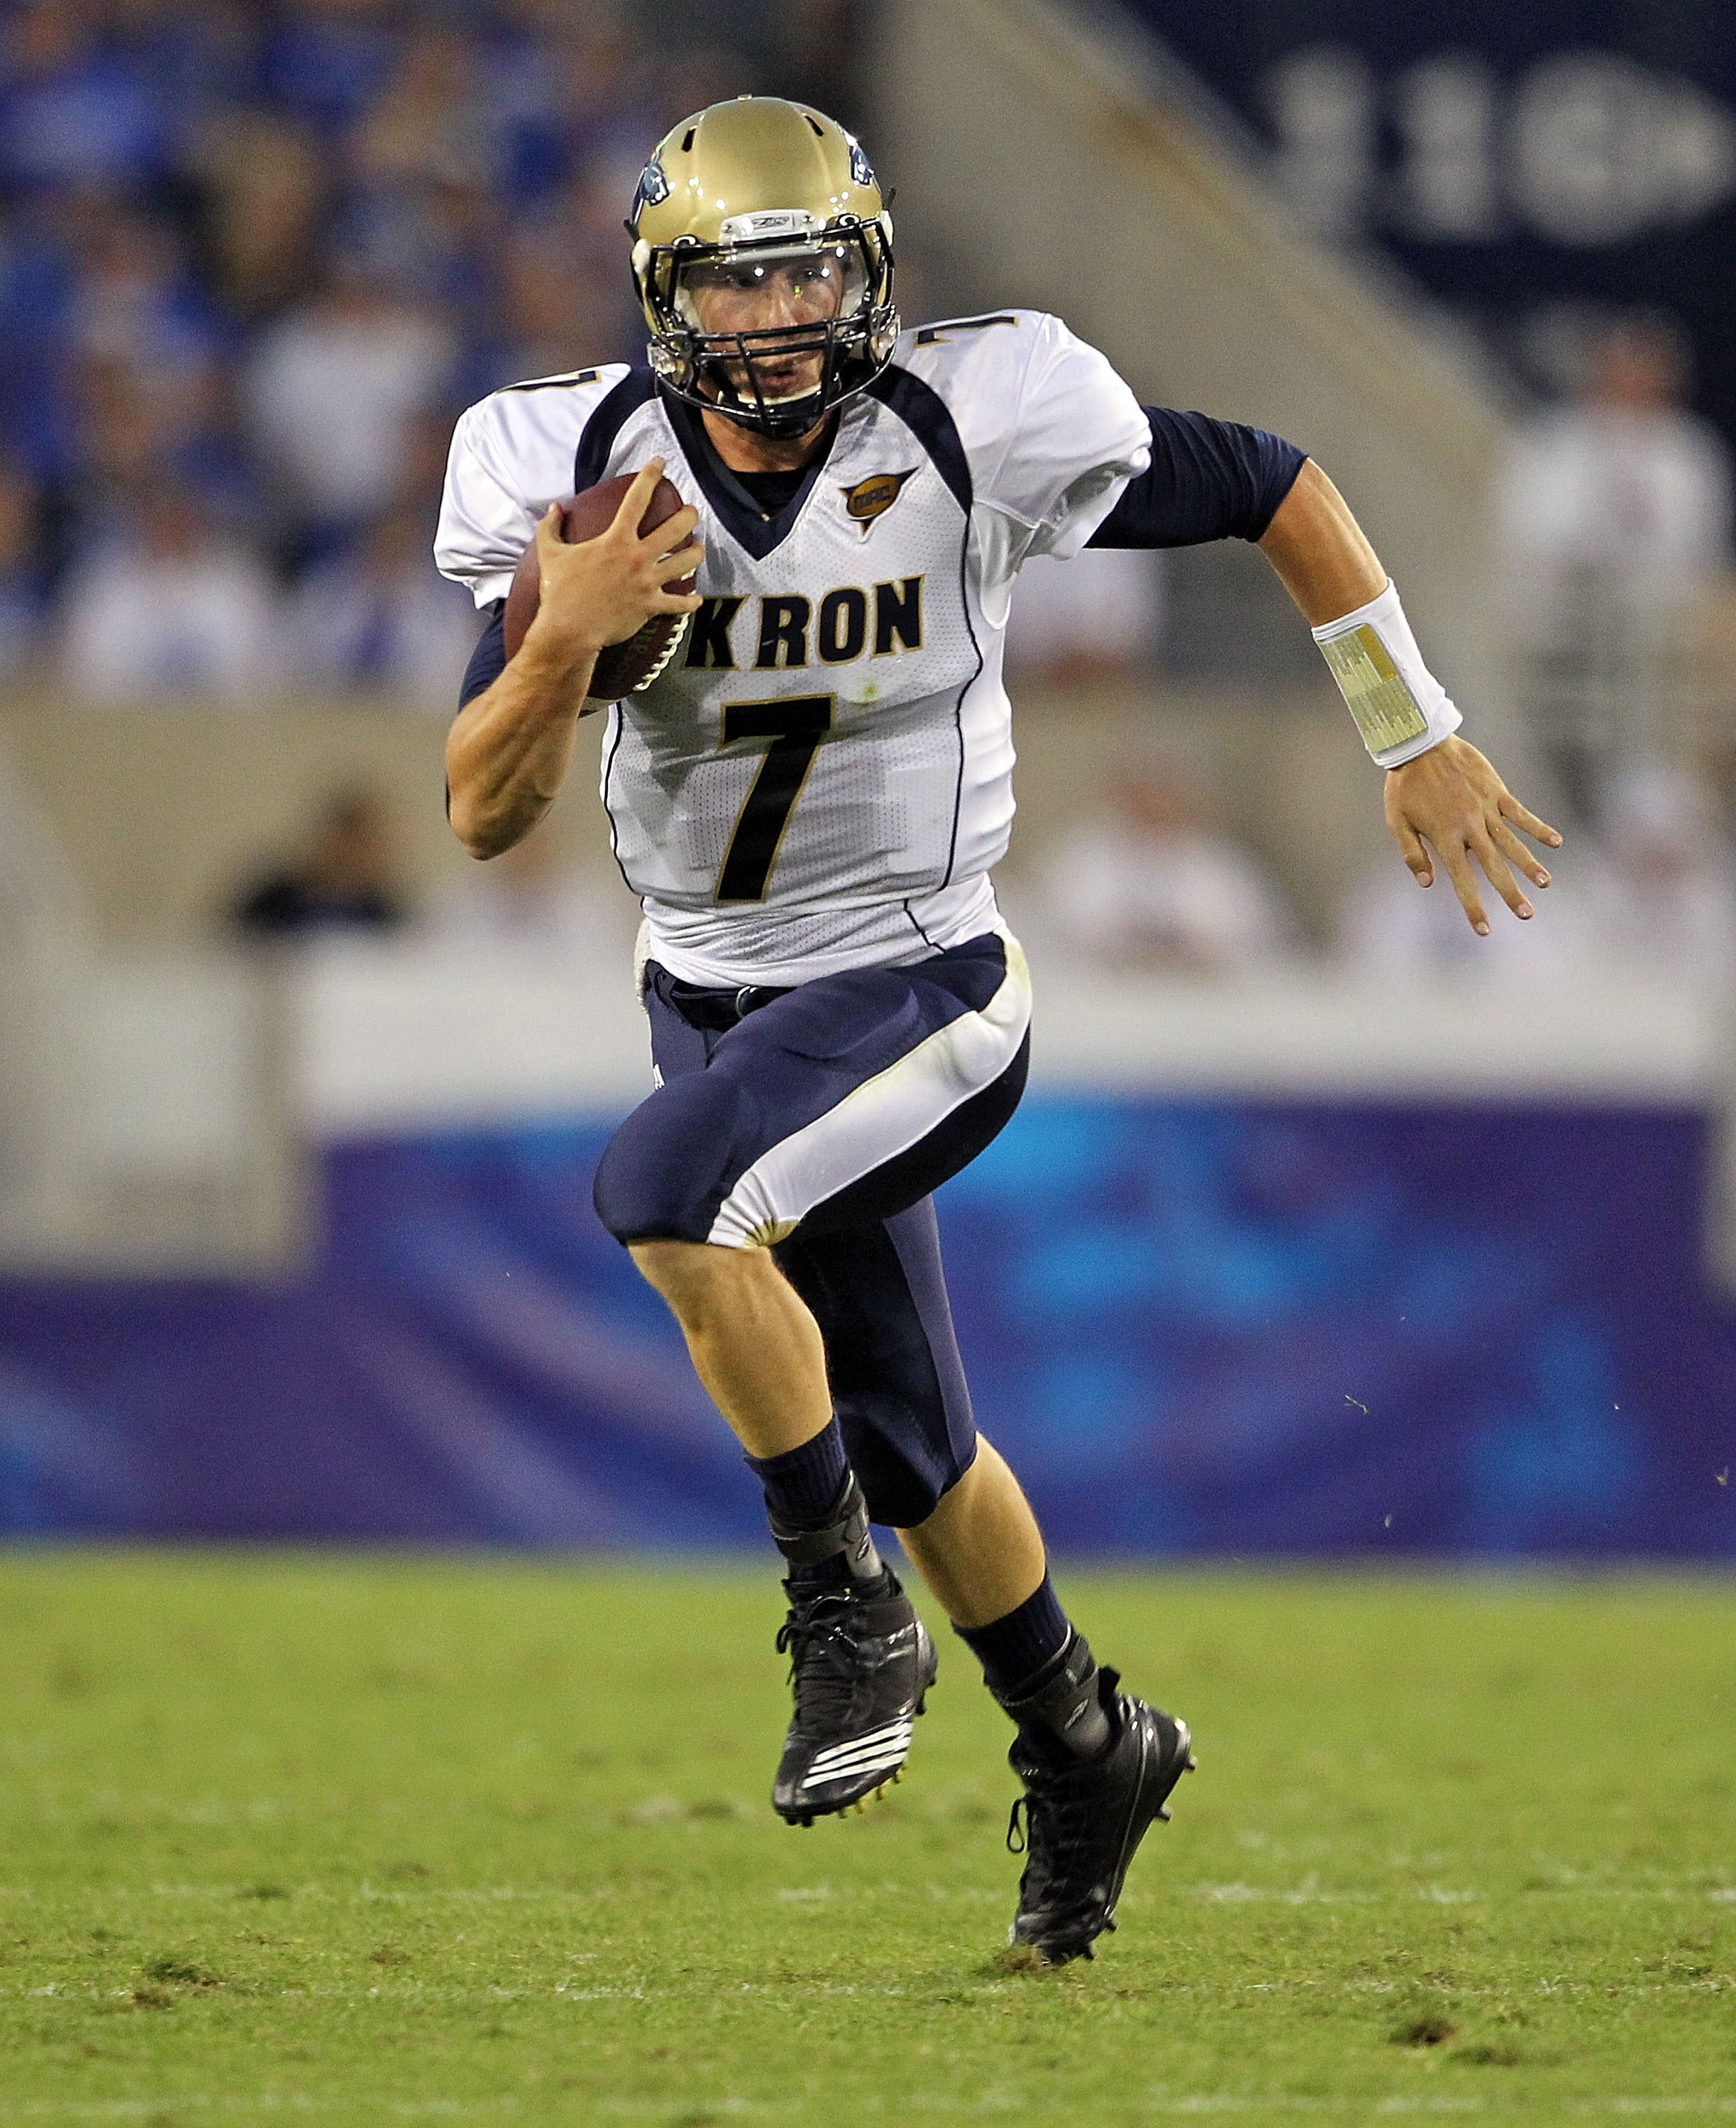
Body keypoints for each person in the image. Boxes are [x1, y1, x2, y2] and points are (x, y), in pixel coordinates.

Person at [436, 96, 1561, 1967]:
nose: (784, 316)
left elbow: (1273, 479)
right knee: (905, 1433)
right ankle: (1085, 1736)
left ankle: (839, 1612)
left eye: (812, 271)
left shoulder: (981, 410)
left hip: (923, 981)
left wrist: (1409, 726)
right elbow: (479, 813)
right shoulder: (569, 467)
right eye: (741, 282)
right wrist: (563, 633)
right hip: (708, 989)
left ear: (871, 273)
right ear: (666, 305)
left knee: (662, 1196)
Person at [1043, 758, 1297, 975]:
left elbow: (1254, 946)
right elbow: (1060, 939)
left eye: (1166, 789)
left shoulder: (1220, 867)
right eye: (1147, 788)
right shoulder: (1082, 858)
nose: (1157, 799)